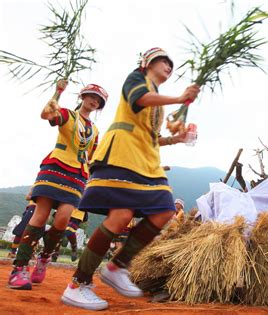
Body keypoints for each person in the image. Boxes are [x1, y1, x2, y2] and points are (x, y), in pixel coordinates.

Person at [61, 47, 200, 311]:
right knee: (121, 217)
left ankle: (116, 266)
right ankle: (78, 285)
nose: (168, 66)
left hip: (145, 161)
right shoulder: (136, 80)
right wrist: (180, 98)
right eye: (163, 61)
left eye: (171, 64)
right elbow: (140, 99)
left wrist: (177, 139)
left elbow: (152, 137)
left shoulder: (156, 97)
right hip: (121, 155)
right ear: (147, 63)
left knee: (163, 211)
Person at [8, 80, 108, 290]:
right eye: (91, 96)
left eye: (98, 100)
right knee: (40, 214)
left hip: (78, 174)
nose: (94, 101)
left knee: (62, 219)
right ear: (83, 96)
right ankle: (20, 268)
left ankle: (44, 258)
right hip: (56, 167)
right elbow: (46, 114)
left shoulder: (95, 130)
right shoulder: (67, 115)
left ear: (99, 105)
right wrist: (57, 92)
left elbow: (93, 156)